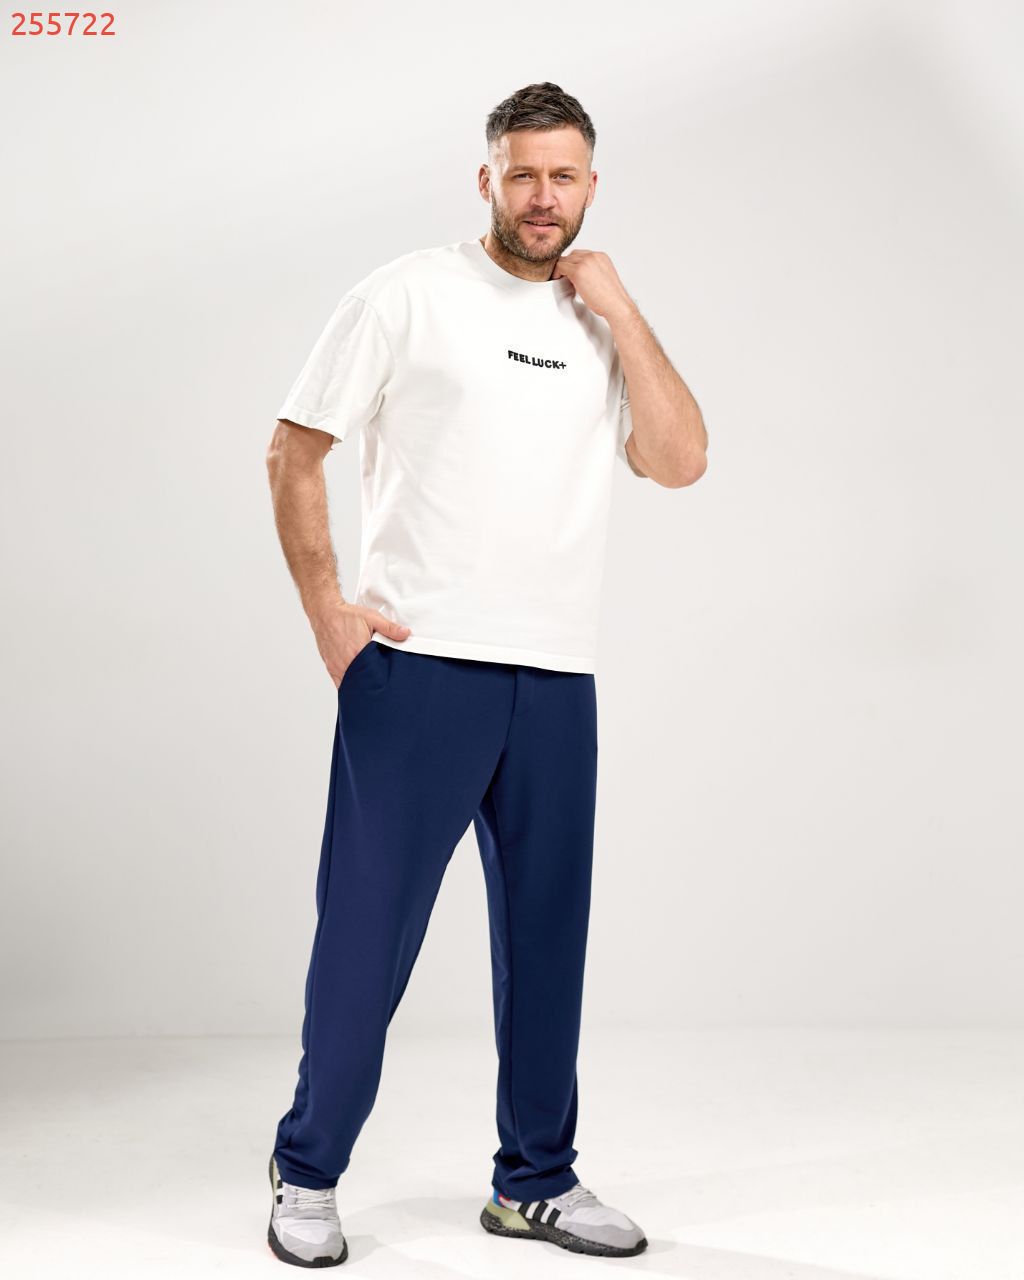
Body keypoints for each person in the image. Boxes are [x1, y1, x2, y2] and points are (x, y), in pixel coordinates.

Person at [263, 81, 708, 1268]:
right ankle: (307, 1169)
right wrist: (327, 612)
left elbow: (680, 460)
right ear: (487, 180)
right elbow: (294, 448)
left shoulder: (600, 321)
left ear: (591, 187)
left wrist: (621, 308)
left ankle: (535, 1181)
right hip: (418, 668)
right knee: (368, 935)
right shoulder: (408, 294)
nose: (541, 196)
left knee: (547, 941)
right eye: (522, 173)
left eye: (563, 176)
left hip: (555, 673)